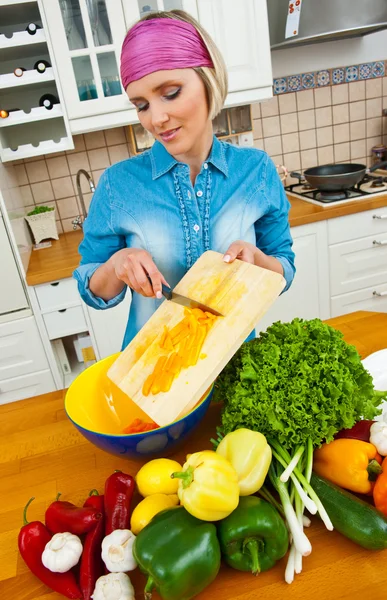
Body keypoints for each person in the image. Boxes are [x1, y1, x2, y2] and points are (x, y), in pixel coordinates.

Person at [74, 9, 295, 350]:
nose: (156, 118)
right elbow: (92, 288)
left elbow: (283, 266)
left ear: (209, 81)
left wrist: (259, 262)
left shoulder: (256, 171)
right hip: (151, 372)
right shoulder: (119, 185)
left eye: (171, 92)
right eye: (141, 104)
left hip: (238, 366)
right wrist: (118, 265)